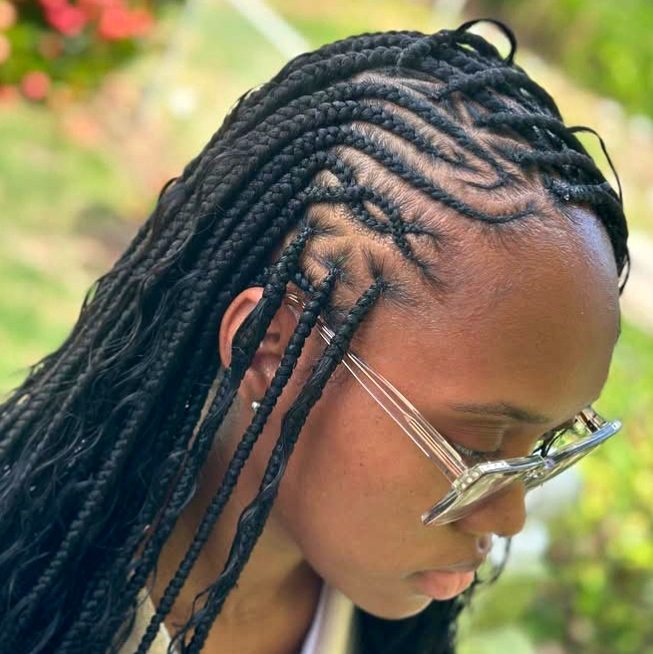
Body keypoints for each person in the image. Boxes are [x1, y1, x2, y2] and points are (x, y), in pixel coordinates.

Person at [0, 19, 629, 654]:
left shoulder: (380, 630)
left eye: (550, 445)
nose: (510, 517)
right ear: (270, 350)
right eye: (474, 451)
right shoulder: (34, 603)